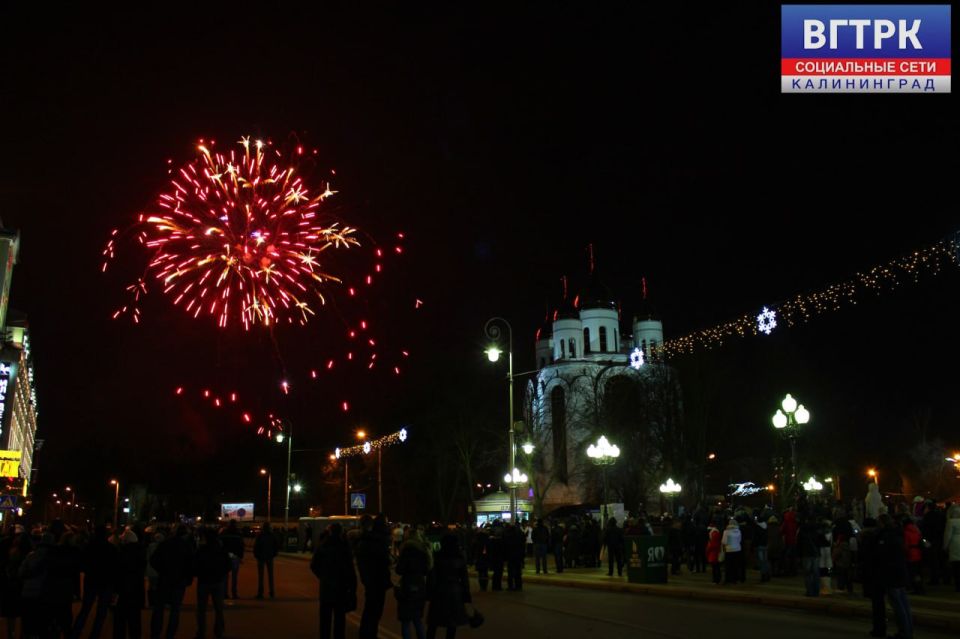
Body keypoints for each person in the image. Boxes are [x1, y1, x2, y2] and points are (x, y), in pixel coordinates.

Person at [70, 524, 119, 639]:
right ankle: (95, 634)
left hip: (91, 580)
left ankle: (76, 632)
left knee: (85, 609)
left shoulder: (89, 547)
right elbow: (115, 566)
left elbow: (82, 563)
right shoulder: (111, 548)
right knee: (101, 611)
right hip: (106, 582)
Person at [311, 523, 357, 639]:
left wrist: (322, 576)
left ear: (330, 531)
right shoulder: (344, 547)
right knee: (340, 619)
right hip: (341, 588)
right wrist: (352, 588)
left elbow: (313, 565)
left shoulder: (323, 545)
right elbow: (350, 570)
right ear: (341, 532)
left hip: (326, 587)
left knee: (325, 618)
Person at [149, 524, 195, 639]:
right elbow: (191, 565)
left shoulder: (165, 544)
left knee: (159, 608)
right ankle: (170, 635)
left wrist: (162, 571)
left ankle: (155, 634)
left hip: (164, 580)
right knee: (175, 610)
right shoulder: (187, 546)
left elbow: (154, 560)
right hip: (179, 581)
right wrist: (187, 578)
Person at [426, 535, 472, 639]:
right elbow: (464, 579)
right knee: (452, 623)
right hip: (455, 591)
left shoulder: (437, 556)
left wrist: (429, 593)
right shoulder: (459, 557)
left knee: (434, 622)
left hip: (439, 590)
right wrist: (466, 595)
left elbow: (432, 577)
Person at [355, 515, 393, 639]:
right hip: (376, 581)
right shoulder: (375, 541)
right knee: (373, 611)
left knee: (372, 611)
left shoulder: (370, 540)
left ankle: (369, 633)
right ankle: (368, 634)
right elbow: (381, 561)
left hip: (374, 581)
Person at [876, 513, 913, 639]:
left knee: (897, 604)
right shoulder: (898, 533)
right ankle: (908, 630)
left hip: (892, 573)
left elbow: (883, 556)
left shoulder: (887, 537)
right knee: (903, 603)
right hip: (900, 571)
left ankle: (904, 632)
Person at [194, 528, 231, 639]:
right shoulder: (221, 550)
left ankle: (201, 632)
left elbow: (195, 565)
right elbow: (228, 565)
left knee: (201, 609)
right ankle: (218, 631)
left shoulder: (201, 550)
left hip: (204, 582)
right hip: (218, 581)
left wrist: (199, 574)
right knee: (218, 609)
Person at [395, 529, 432, 639]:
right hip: (420, 585)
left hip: (407, 585)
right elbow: (427, 569)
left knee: (406, 621)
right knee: (417, 619)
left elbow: (399, 569)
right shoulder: (423, 549)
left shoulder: (406, 550)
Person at [114, 529, 147, 639]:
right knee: (135, 619)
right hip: (136, 590)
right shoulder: (140, 552)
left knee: (120, 618)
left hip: (123, 590)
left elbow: (118, 572)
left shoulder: (122, 553)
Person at [253, 522, 279, 599]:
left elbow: (256, 546)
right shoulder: (272, 535)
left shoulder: (260, 536)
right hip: (270, 557)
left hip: (261, 557)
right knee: (270, 575)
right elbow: (276, 546)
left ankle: (260, 593)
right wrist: (273, 554)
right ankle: (272, 592)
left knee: (261, 576)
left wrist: (256, 555)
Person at [219, 520, 244, 600]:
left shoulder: (224, 533)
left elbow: (220, 545)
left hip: (226, 556)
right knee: (234, 576)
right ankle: (234, 593)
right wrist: (240, 557)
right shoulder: (238, 533)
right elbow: (241, 546)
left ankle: (225, 593)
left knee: (225, 576)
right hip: (235, 557)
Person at [943, 504, 960, 591]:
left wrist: (945, 546)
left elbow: (948, 535)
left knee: (956, 567)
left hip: (955, 544)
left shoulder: (951, 522)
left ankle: (958, 585)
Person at [720, 518, 743, 584]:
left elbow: (724, 542)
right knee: (735, 565)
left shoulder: (726, 531)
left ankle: (727, 579)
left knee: (728, 566)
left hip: (729, 550)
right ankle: (735, 579)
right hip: (737, 550)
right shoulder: (738, 531)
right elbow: (740, 540)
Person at [503, 523, 524, 591]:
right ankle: (518, 586)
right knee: (518, 572)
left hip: (510, 556)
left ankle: (510, 586)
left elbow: (506, 546)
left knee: (510, 572)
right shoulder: (519, 535)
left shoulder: (508, 536)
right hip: (518, 556)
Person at [705, 520, 722, 585]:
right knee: (716, 567)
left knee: (715, 567)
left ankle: (716, 580)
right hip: (715, 552)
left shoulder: (714, 534)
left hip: (713, 553)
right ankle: (717, 579)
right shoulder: (716, 533)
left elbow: (712, 545)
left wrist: (707, 549)